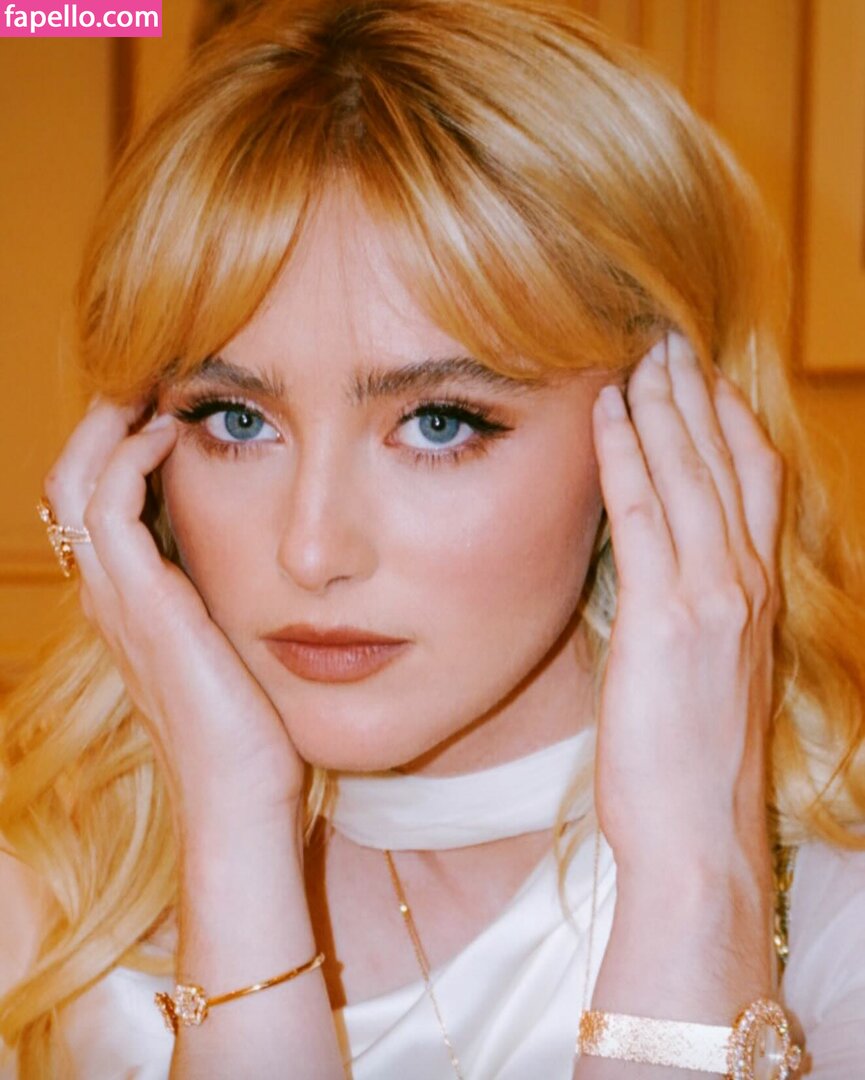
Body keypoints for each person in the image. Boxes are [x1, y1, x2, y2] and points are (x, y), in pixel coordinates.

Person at [2, 0, 864, 1076]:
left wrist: (696, 884)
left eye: (439, 423)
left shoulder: (828, 902)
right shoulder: (51, 911)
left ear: (666, 433)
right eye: (237, 420)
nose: (312, 551)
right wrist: (232, 830)